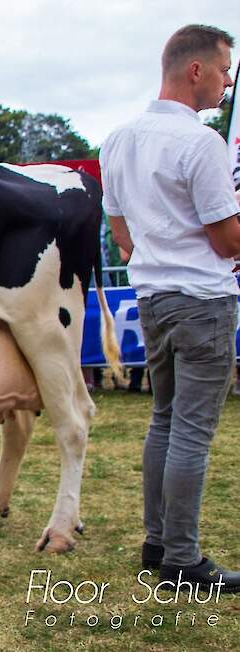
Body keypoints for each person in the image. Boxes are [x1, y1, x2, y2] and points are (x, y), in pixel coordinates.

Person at [101, 25, 240, 592]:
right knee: (190, 430)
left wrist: (154, 252)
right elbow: (227, 242)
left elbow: (119, 231)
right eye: (226, 69)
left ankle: (158, 542)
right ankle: (182, 559)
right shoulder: (201, 142)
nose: (229, 82)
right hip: (202, 299)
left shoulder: (119, 138)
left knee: (164, 420)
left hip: (152, 296)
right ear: (197, 70)